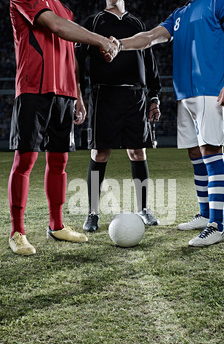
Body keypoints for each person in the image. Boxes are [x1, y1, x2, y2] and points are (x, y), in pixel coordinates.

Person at [111, 0, 224, 246]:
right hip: (184, 93)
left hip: (210, 89)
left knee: (212, 151)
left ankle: (217, 225)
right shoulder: (179, 13)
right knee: (195, 153)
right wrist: (120, 44)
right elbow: (150, 37)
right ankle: (205, 214)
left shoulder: (220, 1)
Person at [8, 0, 119, 255]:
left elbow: (70, 56)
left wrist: (77, 96)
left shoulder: (64, 8)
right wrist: (102, 40)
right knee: (25, 160)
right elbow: (56, 27)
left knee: (59, 161)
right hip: (33, 88)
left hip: (64, 94)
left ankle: (56, 225)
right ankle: (17, 231)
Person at [76, 0, 162, 232]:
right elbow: (77, 64)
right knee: (100, 153)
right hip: (104, 94)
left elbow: (149, 62)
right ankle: (92, 212)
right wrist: (78, 97)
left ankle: (143, 209)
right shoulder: (93, 21)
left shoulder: (137, 23)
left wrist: (153, 97)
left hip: (135, 96)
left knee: (138, 152)